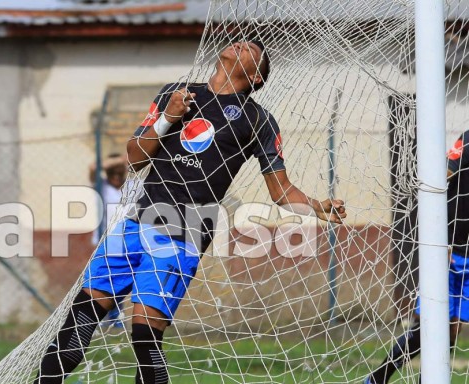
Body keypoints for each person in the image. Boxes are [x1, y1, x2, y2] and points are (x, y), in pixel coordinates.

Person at [34, 40, 346, 384]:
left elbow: (281, 190)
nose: (241, 43)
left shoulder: (258, 120)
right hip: (137, 222)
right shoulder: (176, 94)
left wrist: (316, 206)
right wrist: (169, 117)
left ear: (257, 76)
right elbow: (136, 157)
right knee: (80, 320)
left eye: (252, 50)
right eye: (239, 41)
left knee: (144, 335)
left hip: (184, 231)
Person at [364, 130, 469, 384]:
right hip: (451, 247)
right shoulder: (466, 140)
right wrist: (437, 239)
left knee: (451, 331)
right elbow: (444, 172)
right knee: (431, 326)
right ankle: (378, 377)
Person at [89, 153, 129, 327]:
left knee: (121, 279)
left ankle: (116, 315)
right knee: (105, 278)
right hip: (107, 239)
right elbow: (92, 168)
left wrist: (124, 165)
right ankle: (106, 316)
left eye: (121, 172)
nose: (117, 176)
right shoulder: (102, 187)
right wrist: (118, 161)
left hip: (128, 239)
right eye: (113, 172)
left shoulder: (132, 186)